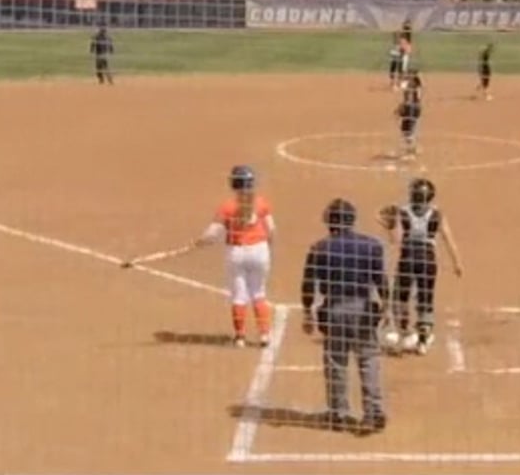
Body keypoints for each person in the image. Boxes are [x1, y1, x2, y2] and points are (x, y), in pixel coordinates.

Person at [122, 165, 276, 347]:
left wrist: (198, 243)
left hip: (236, 252)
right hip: (260, 250)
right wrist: (265, 249)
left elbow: (212, 234)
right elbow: (271, 229)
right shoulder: (261, 203)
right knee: (258, 293)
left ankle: (240, 337)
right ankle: (264, 335)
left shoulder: (227, 207)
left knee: (239, 295)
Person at [300, 198, 389, 434]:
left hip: (334, 309)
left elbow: (308, 284)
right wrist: (387, 305)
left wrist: (308, 312)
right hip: (363, 308)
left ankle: (338, 414)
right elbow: (380, 280)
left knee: (336, 362)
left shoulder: (319, 248)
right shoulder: (371, 245)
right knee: (368, 360)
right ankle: (372, 413)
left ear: (330, 221)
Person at [380, 177, 464, 355]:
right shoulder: (437, 215)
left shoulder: (403, 212)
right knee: (425, 298)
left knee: (401, 297)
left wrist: (387, 226)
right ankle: (423, 342)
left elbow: (396, 240)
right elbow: (448, 240)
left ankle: (403, 334)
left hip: (408, 258)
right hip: (428, 260)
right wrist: (457, 262)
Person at [395, 71, 425, 162]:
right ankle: (412, 149)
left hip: (411, 109)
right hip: (412, 109)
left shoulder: (414, 88)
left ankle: (411, 151)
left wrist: (401, 108)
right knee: (407, 130)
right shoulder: (415, 87)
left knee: (407, 130)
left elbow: (410, 99)